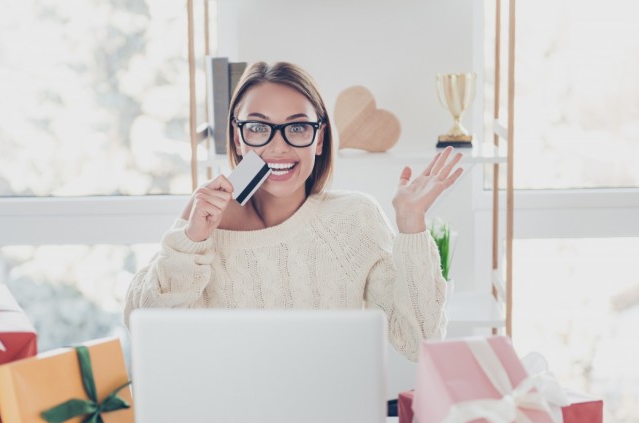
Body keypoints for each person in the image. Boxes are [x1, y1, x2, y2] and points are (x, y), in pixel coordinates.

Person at [124, 61, 463, 360]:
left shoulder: (354, 219)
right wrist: (192, 239)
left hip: (330, 420)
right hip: (224, 422)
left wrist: (411, 224)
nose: (278, 145)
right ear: (238, 138)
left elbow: (420, 342)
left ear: (318, 138)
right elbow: (149, 335)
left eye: (297, 127)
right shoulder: (204, 220)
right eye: (257, 127)